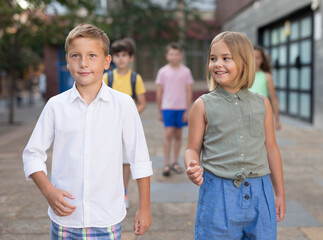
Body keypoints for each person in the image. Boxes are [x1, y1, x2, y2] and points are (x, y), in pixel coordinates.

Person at [22, 23, 152, 239]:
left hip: (107, 218)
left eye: (92, 55)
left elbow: (139, 159)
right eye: (75, 56)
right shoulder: (55, 106)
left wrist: (145, 208)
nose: (83, 63)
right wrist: (48, 191)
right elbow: (32, 154)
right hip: (65, 218)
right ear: (67, 60)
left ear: (106, 61)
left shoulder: (124, 105)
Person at [184, 31, 285, 239]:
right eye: (213, 59)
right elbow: (192, 149)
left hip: (261, 191)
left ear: (245, 62)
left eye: (225, 58)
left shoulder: (262, 103)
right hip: (218, 195)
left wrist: (279, 193)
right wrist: (192, 165)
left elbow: (272, 149)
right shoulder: (202, 105)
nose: (217, 64)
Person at [103, 38, 147, 209]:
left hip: (126, 128)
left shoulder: (136, 78)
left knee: (125, 162)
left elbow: (142, 103)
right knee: (107, 160)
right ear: (112, 58)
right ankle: (108, 192)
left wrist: (129, 116)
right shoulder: (107, 78)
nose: (121, 58)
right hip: (107, 128)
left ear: (131, 58)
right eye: (117, 55)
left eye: (124, 55)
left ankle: (123, 191)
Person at [156, 42, 194, 176]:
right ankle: (166, 164)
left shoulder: (186, 71)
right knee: (168, 134)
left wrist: (187, 110)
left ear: (181, 55)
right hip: (167, 108)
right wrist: (159, 110)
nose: (174, 56)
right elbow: (159, 92)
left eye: (177, 54)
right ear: (167, 56)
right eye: (171, 54)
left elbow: (189, 92)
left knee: (178, 135)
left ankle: (175, 162)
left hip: (181, 108)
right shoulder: (163, 71)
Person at [249, 45, 281, 130]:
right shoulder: (244, 76)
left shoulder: (267, 77)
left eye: (258, 57)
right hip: (246, 115)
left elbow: (274, 99)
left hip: (262, 115)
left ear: (262, 60)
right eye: (252, 57)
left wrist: (277, 120)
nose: (255, 60)